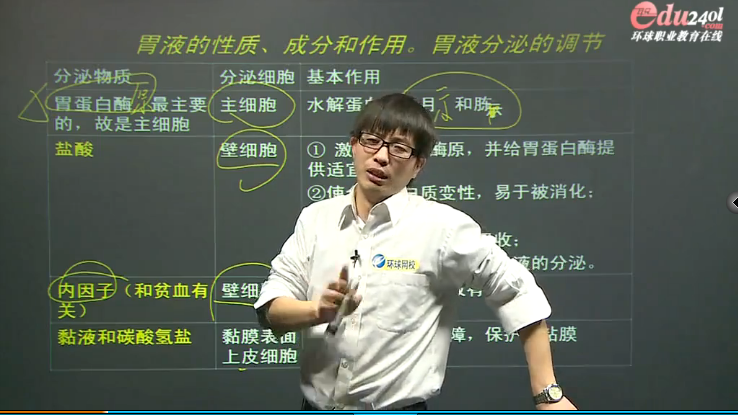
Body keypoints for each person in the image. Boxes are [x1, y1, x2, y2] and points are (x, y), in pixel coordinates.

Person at [253, 93, 577, 411]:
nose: (381, 157)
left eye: (399, 148)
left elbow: (518, 290)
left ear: (418, 164)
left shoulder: (443, 229)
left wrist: (547, 394)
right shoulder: (316, 219)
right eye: (371, 141)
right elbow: (271, 307)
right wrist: (318, 311)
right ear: (354, 144)